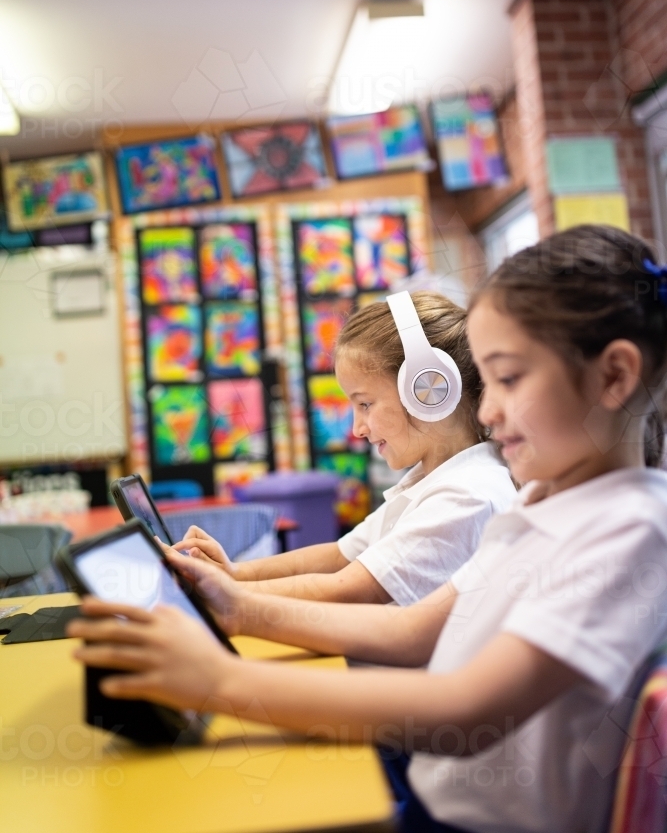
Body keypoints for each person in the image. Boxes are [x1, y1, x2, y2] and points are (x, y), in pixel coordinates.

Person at [69, 225, 667, 833]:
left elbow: (460, 714)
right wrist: (235, 605)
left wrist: (221, 681)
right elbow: (413, 631)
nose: (487, 410)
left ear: (614, 376)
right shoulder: (545, 504)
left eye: (508, 379)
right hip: (438, 803)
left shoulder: (629, 534)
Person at [173, 292, 516, 605]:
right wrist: (234, 573)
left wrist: (220, 590)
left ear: (428, 390)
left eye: (365, 404)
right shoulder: (432, 480)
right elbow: (341, 554)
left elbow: (350, 588)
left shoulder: (467, 495)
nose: (356, 429)